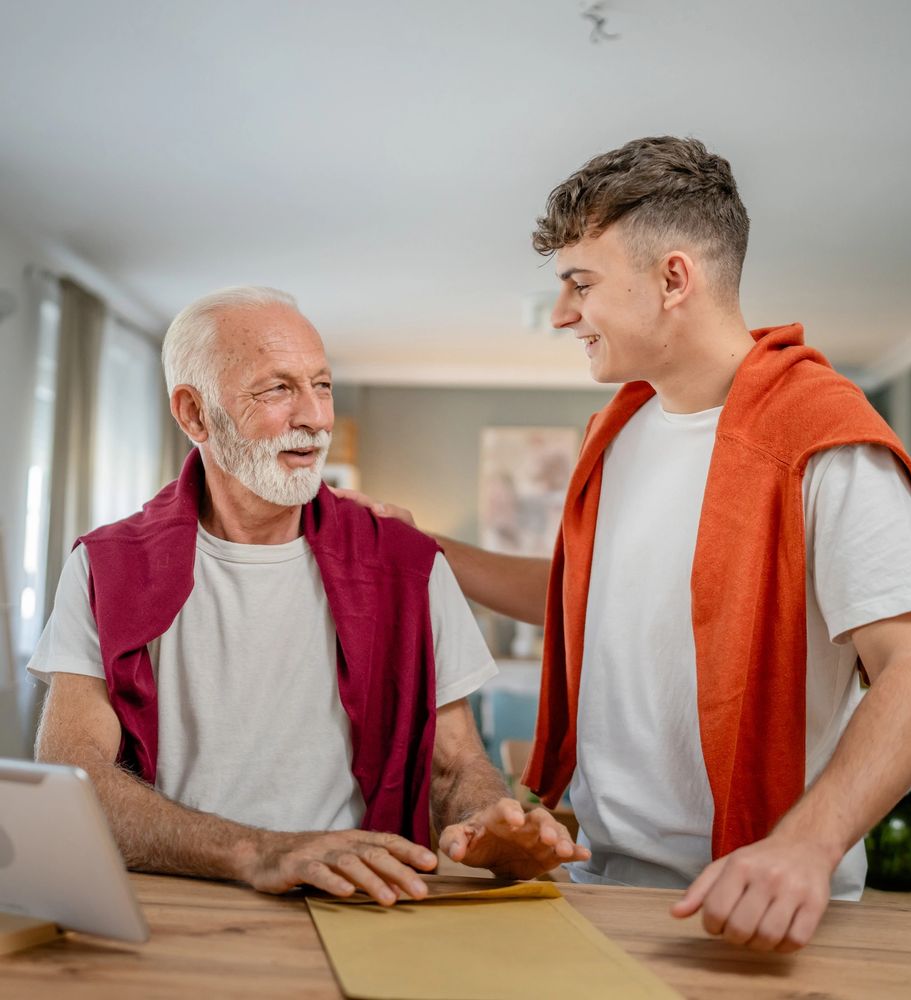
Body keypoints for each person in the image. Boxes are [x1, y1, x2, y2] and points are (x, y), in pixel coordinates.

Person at [339, 137, 911, 949]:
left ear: (674, 278)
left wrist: (805, 849)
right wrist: (428, 549)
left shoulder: (827, 442)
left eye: (580, 284)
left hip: (761, 903)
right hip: (597, 885)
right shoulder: (619, 432)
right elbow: (579, 596)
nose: (561, 314)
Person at [30, 285, 587, 905]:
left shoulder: (409, 564)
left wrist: (490, 820)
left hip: (360, 907)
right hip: (173, 906)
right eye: (277, 388)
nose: (315, 417)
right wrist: (259, 851)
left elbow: (455, 765)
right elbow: (74, 775)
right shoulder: (104, 566)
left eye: (321, 385)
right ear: (194, 414)